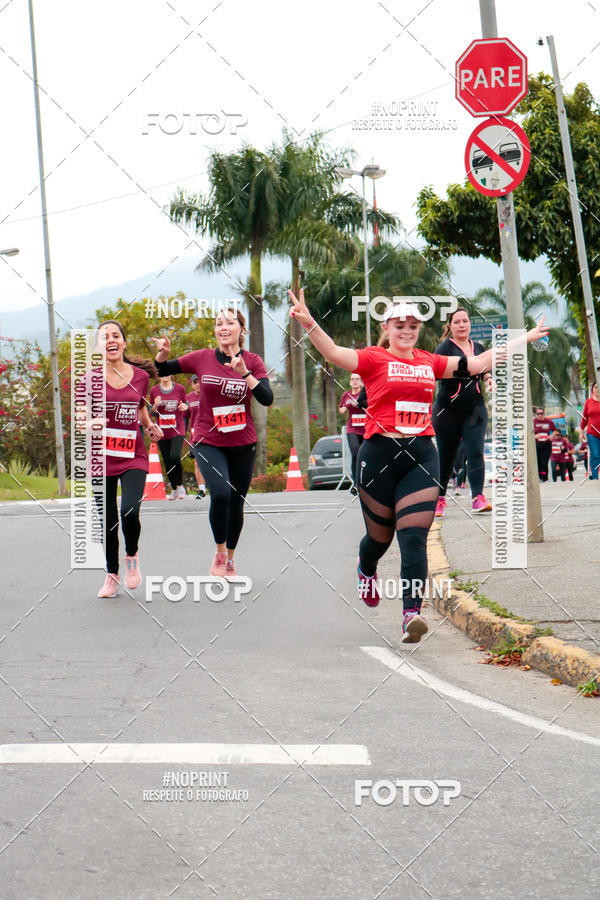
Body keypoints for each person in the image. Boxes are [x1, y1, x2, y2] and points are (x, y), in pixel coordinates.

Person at [288, 288, 548, 643]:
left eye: (413, 326)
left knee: (413, 537)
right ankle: (366, 568)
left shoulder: (429, 361)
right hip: (378, 457)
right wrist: (309, 323)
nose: (407, 331)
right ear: (387, 328)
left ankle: (411, 613)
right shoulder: (373, 359)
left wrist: (524, 339)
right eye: (400, 325)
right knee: (379, 539)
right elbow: (333, 352)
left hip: (421, 456)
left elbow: (477, 364)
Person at [152, 308, 273, 577]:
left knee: (237, 502)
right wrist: (163, 353)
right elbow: (161, 369)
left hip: (242, 442)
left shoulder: (253, 361)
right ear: (216, 331)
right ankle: (219, 553)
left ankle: (230, 558)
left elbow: (266, 398)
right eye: (219, 323)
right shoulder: (202, 358)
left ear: (241, 329)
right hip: (208, 440)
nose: (224, 327)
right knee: (220, 494)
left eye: (230, 322)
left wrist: (245, 373)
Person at [77, 320, 163, 598]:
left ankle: (132, 555)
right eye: (105, 337)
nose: (111, 340)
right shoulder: (87, 380)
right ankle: (112, 575)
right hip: (100, 458)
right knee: (108, 521)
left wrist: (149, 426)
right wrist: (91, 424)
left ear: (124, 343)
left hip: (131, 455)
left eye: (116, 336)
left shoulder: (140, 377)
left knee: (129, 511)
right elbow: (80, 421)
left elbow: (139, 408)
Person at [431, 308, 493, 516]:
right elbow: (435, 373)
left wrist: (488, 379)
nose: (461, 325)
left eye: (465, 321)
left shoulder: (479, 347)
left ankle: (478, 498)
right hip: (447, 411)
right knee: (446, 456)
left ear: (470, 324)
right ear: (450, 326)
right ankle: (439, 499)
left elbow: (483, 368)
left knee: (475, 450)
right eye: (457, 322)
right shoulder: (444, 347)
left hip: (474, 408)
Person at [149, 375, 188, 499]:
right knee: (167, 460)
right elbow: (152, 412)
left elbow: (186, 404)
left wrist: (185, 406)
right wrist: (155, 404)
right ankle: (174, 489)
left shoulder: (180, 389)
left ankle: (180, 486)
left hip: (177, 429)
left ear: (170, 374)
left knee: (174, 456)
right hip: (162, 431)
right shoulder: (154, 390)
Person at [339, 373, 366, 494]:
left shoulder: (365, 393)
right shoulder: (346, 395)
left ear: (361, 382)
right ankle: (355, 483)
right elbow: (341, 409)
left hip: (366, 429)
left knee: (365, 455)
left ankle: (365, 482)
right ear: (350, 382)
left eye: (357, 379)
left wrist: (361, 404)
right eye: (353, 379)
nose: (355, 381)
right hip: (352, 428)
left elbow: (372, 406)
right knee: (355, 453)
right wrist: (345, 407)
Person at [185, 375, 207, 499]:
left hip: (209, 433)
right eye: (195, 382)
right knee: (198, 463)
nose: (198, 385)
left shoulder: (209, 395)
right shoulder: (188, 398)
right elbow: (184, 417)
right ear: (192, 385)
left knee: (211, 462)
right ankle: (202, 490)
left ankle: (216, 486)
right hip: (195, 435)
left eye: (200, 382)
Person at [580, 381, 600, 480]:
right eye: (595, 387)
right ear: (592, 389)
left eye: (598, 387)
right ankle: (595, 477)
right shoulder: (589, 402)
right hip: (592, 433)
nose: (597, 389)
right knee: (595, 454)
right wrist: (581, 431)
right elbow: (585, 418)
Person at [533, 407, 556, 481]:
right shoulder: (533, 422)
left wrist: (551, 436)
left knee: (544, 462)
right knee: (538, 462)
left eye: (541, 413)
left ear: (544, 414)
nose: (540, 415)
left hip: (546, 444)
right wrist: (535, 436)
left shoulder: (549, 422)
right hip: (537, 444)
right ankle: (540, 475)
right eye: (538, 414)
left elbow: (555, 431)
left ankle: (544, 476)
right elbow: (528, 433)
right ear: (536, 414)